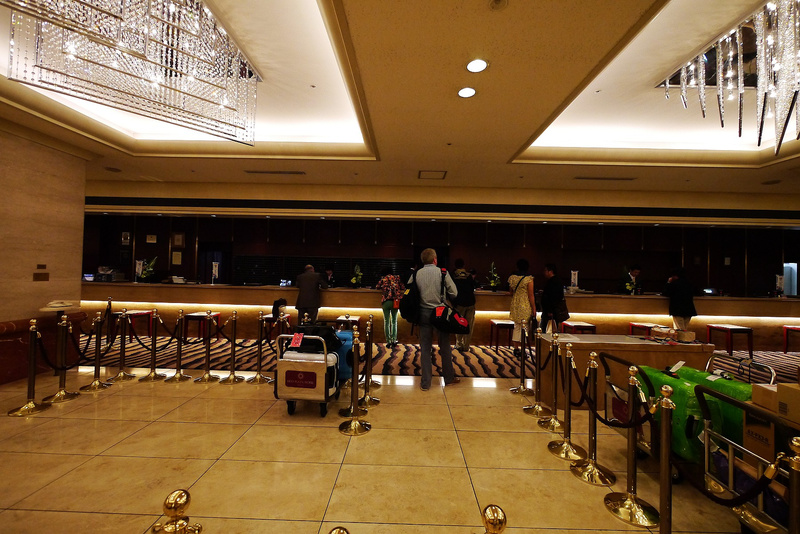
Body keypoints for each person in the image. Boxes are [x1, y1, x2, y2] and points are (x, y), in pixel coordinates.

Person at [409, 248, 460, 391]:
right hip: (440, 314)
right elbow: (454, 293)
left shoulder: (416, 274)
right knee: (445, 347)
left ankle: (426, 383)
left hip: (423, 313)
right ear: (435, 260)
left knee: (425, 348)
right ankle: (448, 378)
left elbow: (410, 291)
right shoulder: (442, 272)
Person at [508, 258, 536, 353]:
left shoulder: (512, 278)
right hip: (525, 303)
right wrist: (534, 308)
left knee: (517, 326)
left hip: (515, 303)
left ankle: (516, 348)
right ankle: (523, 349)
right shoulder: (529, 279)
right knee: (525, 327)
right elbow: (531, 295)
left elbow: (511, 292)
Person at [375, 266, 405, 348]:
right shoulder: (397, 278)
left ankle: (388, 341)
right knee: (394, 321)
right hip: (395, 301)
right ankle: (394, 340)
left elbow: (377, 287)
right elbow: (402, 287)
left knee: (386, 321)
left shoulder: (383, 279)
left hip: (386, 301)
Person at [451, 259, 477, 352]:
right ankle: (466, 346)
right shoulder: (469, 275)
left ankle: (459, 344)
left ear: (455, 265)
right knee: (469, 325)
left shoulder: (453, 275)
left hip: (459, 303)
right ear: (464, 265)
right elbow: (473, 287)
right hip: (470, 302)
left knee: (459, 323)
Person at [540, 263, 568, 333]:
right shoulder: (556, 281)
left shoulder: (553, 282)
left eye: (545, 270)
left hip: (551, 310)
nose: (544, 272)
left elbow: (554, 297)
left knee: (546, 329)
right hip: (552, 310)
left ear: (550, 271)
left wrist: (550, 310)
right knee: (549, 328)